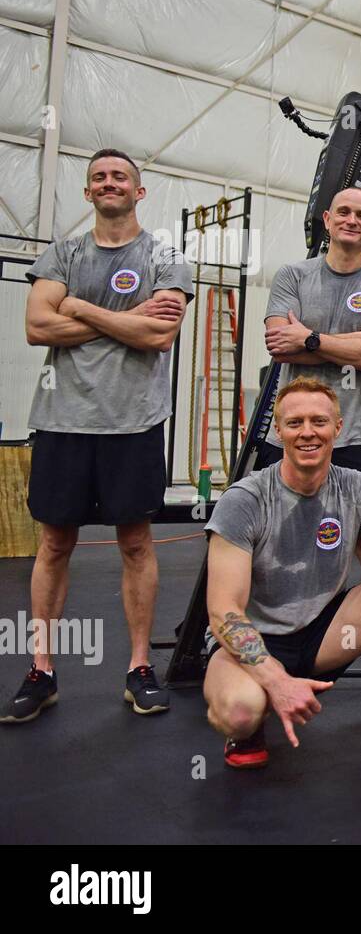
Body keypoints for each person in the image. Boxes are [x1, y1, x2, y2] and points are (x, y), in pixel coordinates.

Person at [3, 149, 192, 725]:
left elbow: (160, 335)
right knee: (55, 545)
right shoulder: (62, 252)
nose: (109, 183)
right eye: (99, 178)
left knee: (136, 544)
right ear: (88, 193)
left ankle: (139, 668)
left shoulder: (165, 256)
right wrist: (126, 317)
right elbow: (38, 326)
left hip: (133, 422)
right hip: (62, 420)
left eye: (120, 177)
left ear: (140, 191)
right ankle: (42, 669)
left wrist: (79, 306)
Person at [202, 377, 361, 775]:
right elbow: (224, 613)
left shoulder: (355, 487)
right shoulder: (244, 500)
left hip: (323, 635)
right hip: (252, 639)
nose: (308, 432)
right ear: (278, 432)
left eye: (319, 421)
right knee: (242, 713)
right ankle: (252, 718)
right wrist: (276, 681)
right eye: (295, 423)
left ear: (338, 427)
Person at [261, 186, 361, 702]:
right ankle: (269, 648)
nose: (352, 220)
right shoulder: (292, 277)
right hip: (297, 432)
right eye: (343, 212)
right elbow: (279, 343)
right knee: (280, 543)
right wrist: (351, 343)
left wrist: (312, 338)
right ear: (327, 219)